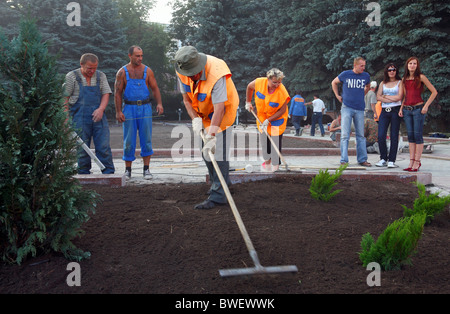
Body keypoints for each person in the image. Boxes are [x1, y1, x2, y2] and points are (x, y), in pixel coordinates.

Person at [174, 46, 239, 210]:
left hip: (223, 111)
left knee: (218, 153)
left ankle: (218, 196)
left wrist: (212, 135)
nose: (191, 76)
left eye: (194, 72)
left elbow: (219, 109)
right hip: (202, 113)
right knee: (206, 152)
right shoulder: (181, 69)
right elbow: (187, 101)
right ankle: (222, 183)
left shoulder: (217, 74)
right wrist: (195, 119)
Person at [114, 46, 163, 180]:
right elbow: (117, 93)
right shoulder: (122, 72)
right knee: (128, 140)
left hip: (145, 108)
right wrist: (118, 111)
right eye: (137, 56)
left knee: (146, 139)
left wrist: (159, 103)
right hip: (129, 108)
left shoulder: (147, 71)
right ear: (130, 56)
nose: (140, 58)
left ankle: (146, 170)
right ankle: (128, 170)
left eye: (141, 56)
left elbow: (155, 88)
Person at [64, 53, 115, 175]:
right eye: (89, 68)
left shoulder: (100, 76)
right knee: (82, 148)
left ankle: (108, 173)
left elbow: (106, 94)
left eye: (95, 68)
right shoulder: (72, 77)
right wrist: (65, 120)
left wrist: (101, 109)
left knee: (103, 145)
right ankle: (83, 173)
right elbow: (64, 99)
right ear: (81, 64)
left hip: (98, 116)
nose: (92, 71)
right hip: (79, 116)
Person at [246, 68, 291, 172]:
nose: (277, 85)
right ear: (268, 79)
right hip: (262, 117)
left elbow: (282, 111)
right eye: (274, 82)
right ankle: (267, 164)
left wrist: (269, 120)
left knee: (275, 141)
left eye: (279, 82)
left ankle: (275, 167)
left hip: (277, 119)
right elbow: (249, 87)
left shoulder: (282, 92)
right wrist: (248, 102)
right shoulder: (259, 82)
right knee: (264, 141)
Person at [331, 57, 372, 167]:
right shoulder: (345, 74)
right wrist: (337, 95)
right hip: (346, 107)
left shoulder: (365, 76)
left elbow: (368, 86)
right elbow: (334, 82)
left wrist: (362, 93)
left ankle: (362, 159)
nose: (363, 68)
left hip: (359, 108)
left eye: (364, 65)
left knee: (360, 135)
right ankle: (344, 160)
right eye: (361, 66)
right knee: (345, 134)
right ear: (355, 65)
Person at [399, 56, 438, 172]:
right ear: (407, 65)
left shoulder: (421, 77)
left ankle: (417, 162)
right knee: (410, 137)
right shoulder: (404, 79)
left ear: (417, 66)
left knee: (417, 136)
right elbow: (405, 96)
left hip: (418, 110)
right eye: (410, 63)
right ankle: (411, 161)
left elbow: (434, 92)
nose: (412, 65)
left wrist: (426, 106)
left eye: (414, 64)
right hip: (406, 110)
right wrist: (401, 108)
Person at [375, 63, 404, 168]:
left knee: (394, 135)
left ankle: (392, 160)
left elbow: (399, 97)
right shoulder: (383, 83)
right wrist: (391, 98)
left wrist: (386, 97)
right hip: (384, 111)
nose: (392, 71)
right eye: (389, 70)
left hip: (395, 110)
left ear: (396, 71)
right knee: (381, 135)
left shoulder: (400, 82)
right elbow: (378, 97)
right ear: (386, 71)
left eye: (394, 69)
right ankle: (383, 158)